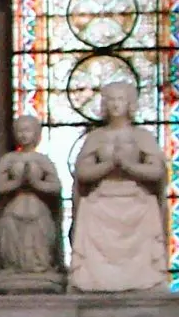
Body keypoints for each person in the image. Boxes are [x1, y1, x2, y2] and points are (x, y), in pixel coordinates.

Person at [70, 77, 170, 293]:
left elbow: (156, 172)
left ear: (130, 104)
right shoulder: (96, 137)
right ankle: (93, 280)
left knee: (148, 206)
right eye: (111, 99)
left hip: (135, 200)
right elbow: (83, 174)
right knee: (89, 208)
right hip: (103, 200)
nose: (116, 104)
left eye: (121, 99)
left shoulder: (142, 136)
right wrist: (109, 164)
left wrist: (128, 165)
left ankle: (144, 278)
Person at [0, 114, 65, 293]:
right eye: (20, 130)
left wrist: (36, 184)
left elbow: (55, 187)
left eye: (28, 130)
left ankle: (40, 268)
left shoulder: (43, 160)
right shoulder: (9, 160)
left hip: (37, 209)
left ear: (37, 134)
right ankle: (11, 268)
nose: (24, 134)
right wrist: (16, 183)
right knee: (10, 238)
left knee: (38, 240)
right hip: (14, 209)